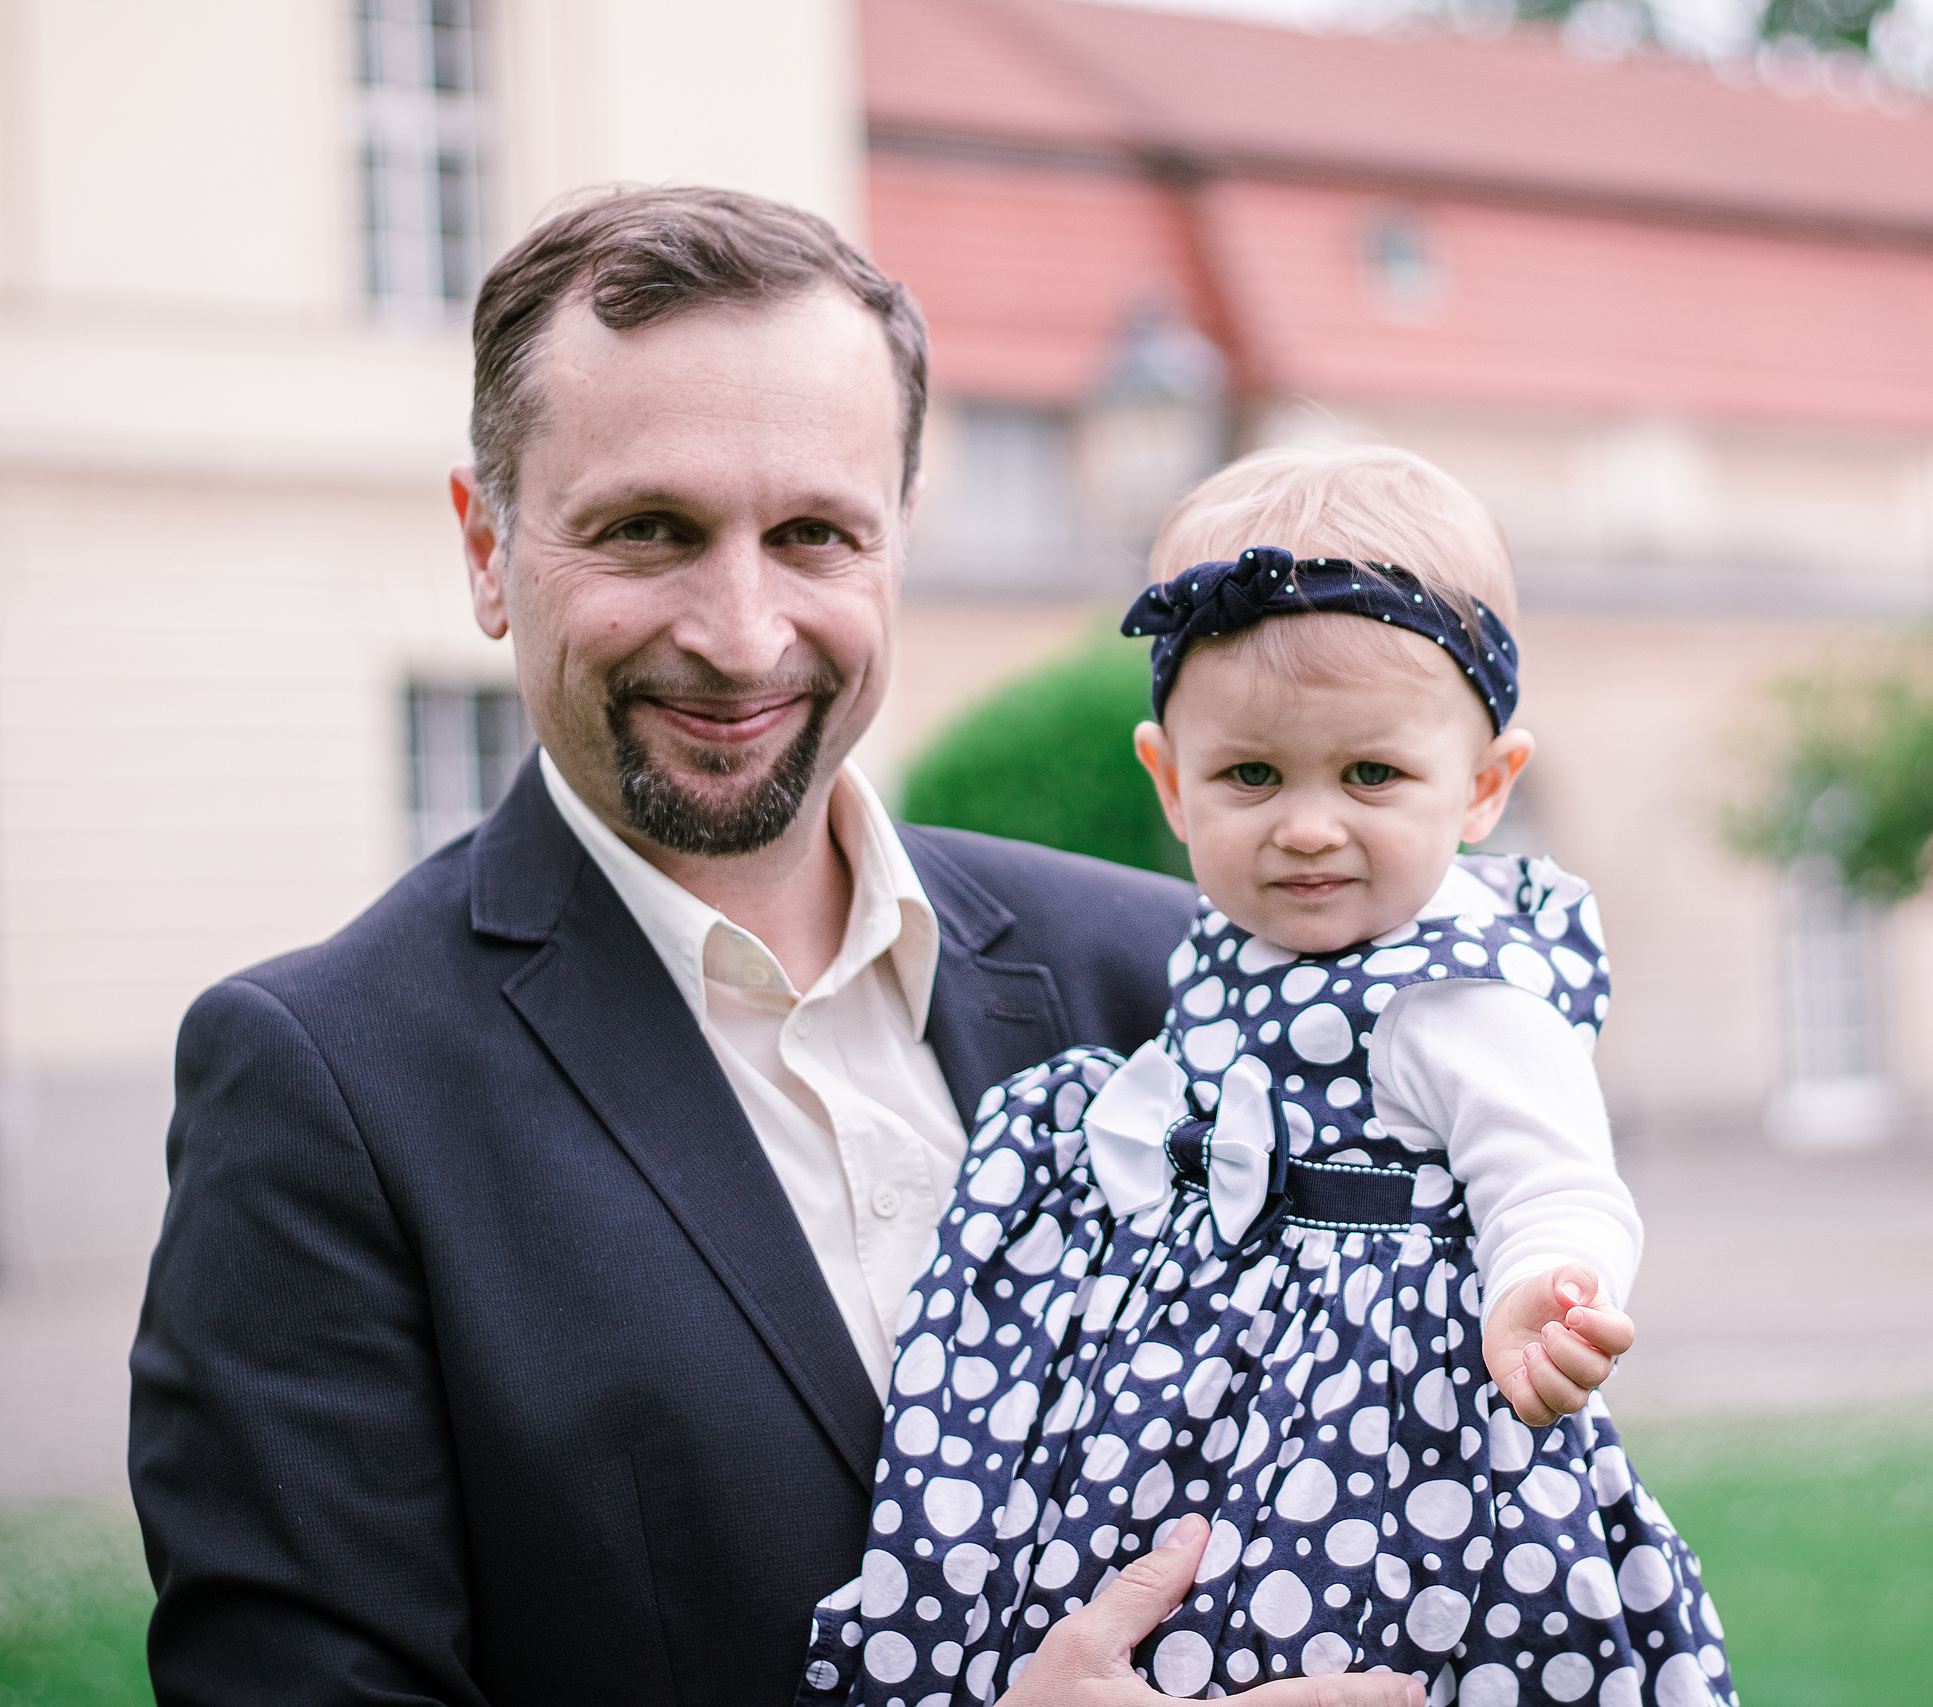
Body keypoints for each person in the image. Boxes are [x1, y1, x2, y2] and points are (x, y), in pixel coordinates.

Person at [126, 186, 1422, 1707]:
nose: (741, 633)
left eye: (813, 533)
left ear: (898, 541)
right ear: (487, 550)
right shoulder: (325, 1091)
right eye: (647, 530)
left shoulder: (1178, 976)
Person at [798, 448, 1735, 1706]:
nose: (1306, 825)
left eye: (1371, 776)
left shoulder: (1453, 990)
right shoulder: (1229, 949)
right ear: (1171, 783)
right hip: (1204, 1393)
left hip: (1383, 1441)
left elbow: (1554, 1175)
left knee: (1345, 1646)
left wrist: (1542, 1296)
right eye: (1251, 776)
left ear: (1483, 787)